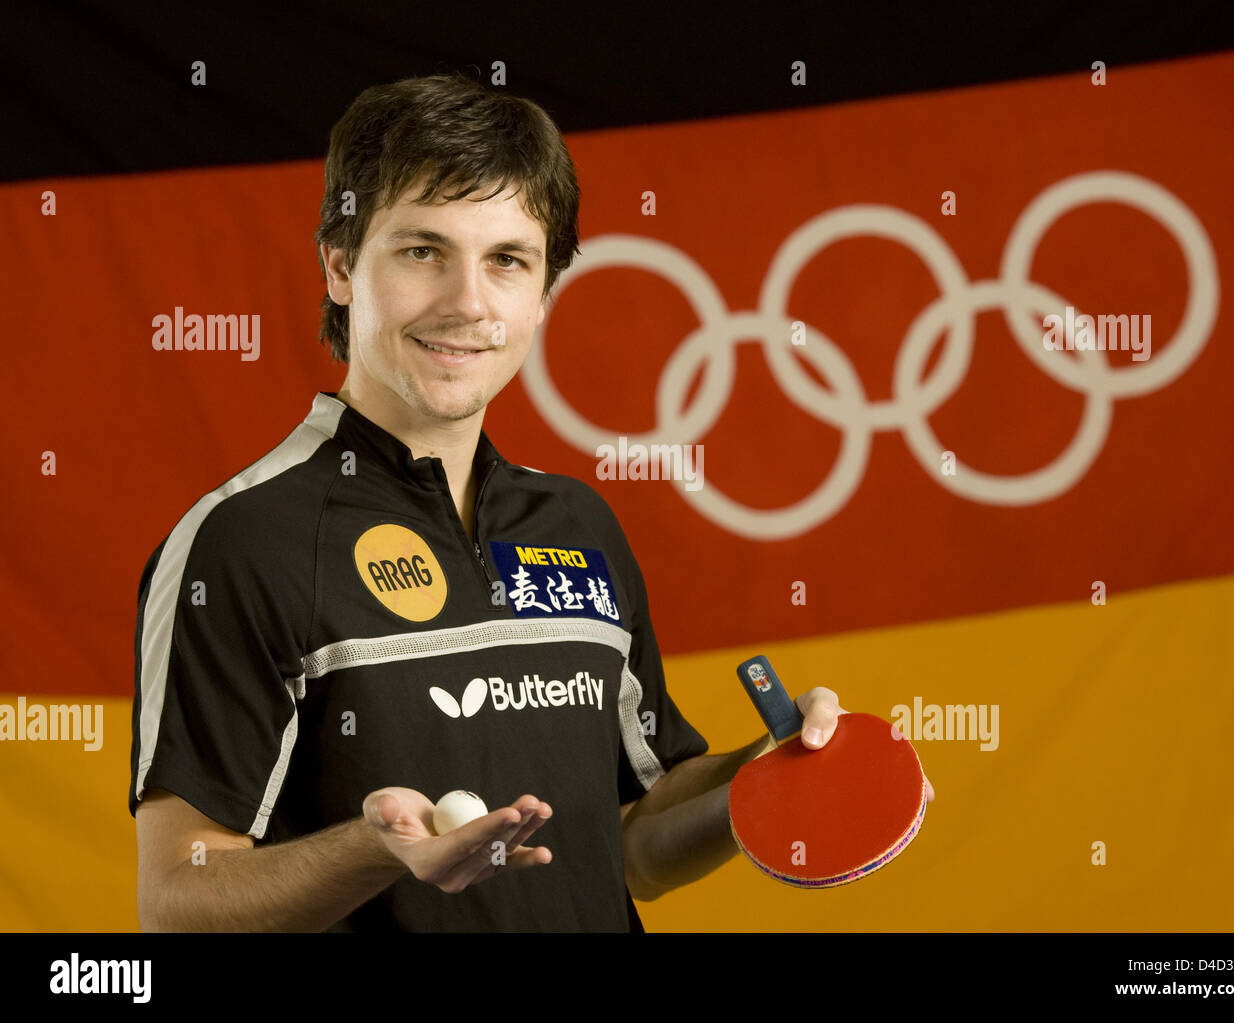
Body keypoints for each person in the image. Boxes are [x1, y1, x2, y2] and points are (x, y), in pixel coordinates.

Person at [129, 72, 932, 932]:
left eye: (506, 260)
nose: (468, 303)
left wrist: (766, 773)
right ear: (339, 265)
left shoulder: (578, 525)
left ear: (543, 293)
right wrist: (376, 850)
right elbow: (178, 901)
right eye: (422, 251)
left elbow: (632, 840)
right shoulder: (241, 542)